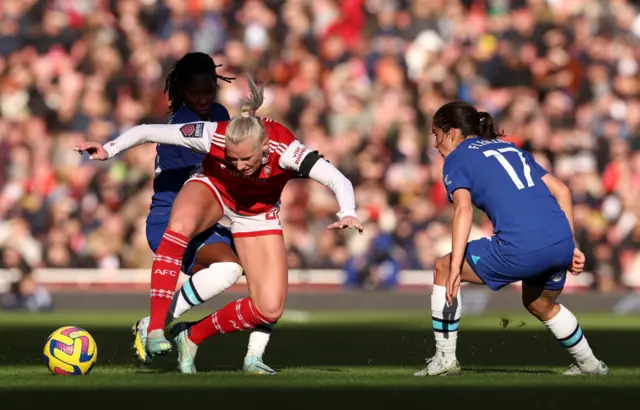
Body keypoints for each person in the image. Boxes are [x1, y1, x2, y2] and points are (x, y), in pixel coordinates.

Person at [75, 76, 362, 373]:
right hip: (213, 190)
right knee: (180, 225)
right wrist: (108, 150)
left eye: (246, 159)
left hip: (256, 214)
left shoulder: (288, 150)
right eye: (232, 159)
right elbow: (148, 131)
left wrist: (347, 211)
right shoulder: (213, 134)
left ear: (265, 147)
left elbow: (337, 179)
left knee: (269, 308)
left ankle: (193, 335)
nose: (239, 167)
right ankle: (157, 327)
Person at [414, 101, 609, 377]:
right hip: (561, 241)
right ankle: (590, 365)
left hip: (522, 247)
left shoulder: (457, 158)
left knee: (443, 269)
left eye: (436, 134)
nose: (435, 143)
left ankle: (444, 360)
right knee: (540, 303)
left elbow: (463, 210)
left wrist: (456, 265)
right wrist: (571, 244)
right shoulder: (510, 147)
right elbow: (563, 190)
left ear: (452, 132)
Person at [134, 52, 275, 374]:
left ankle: (254, 356)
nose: (201, 99)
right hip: (173, 219)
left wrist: (247, 123)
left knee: (264, 270)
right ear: (182, 91)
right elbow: (207, 183)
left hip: (209, 218)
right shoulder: (181, 129)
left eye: (207, 92)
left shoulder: (218, 113)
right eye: (194, 92)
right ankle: (156, 324)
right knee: (229, 269)